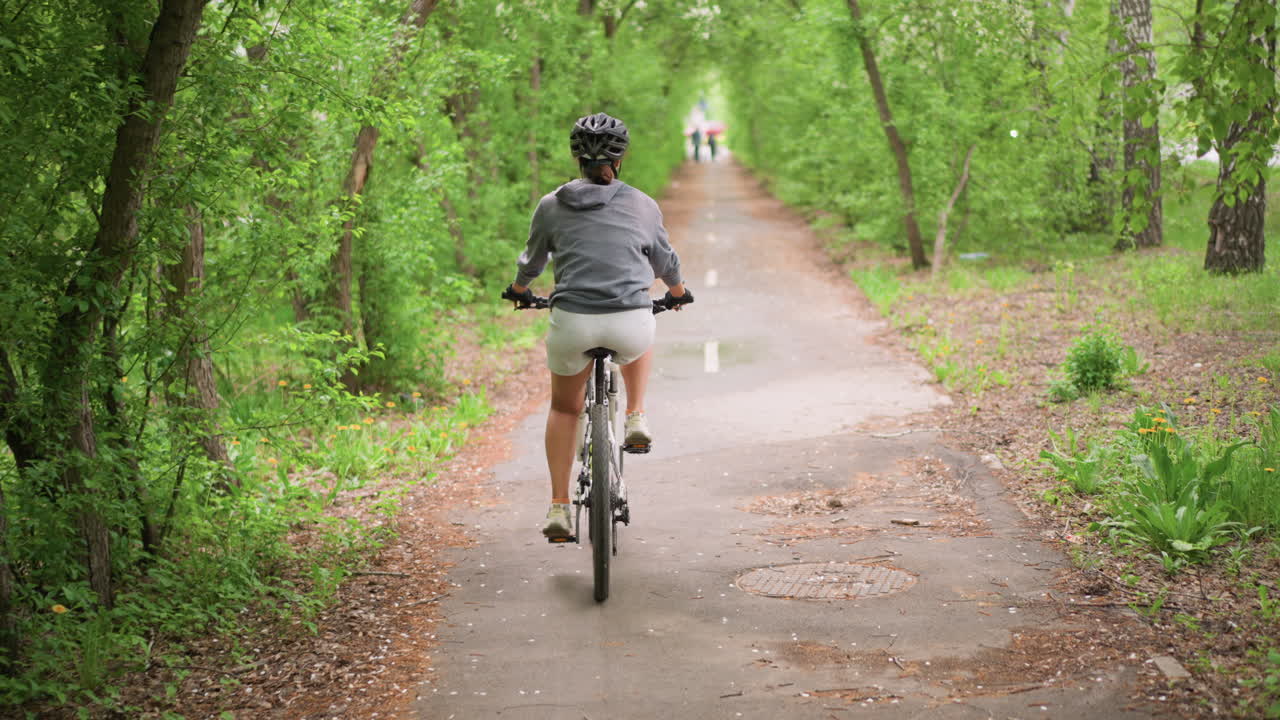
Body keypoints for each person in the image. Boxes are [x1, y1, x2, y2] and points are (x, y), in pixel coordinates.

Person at [503, 112, 693, 540]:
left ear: (577, 159)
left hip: (572, 324)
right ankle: (636, 414)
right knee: (642, 317)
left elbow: (532, 261)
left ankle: (558, 506)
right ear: (619, 159)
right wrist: (678, 292)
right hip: (628, 324)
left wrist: (518, 290)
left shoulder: (551, 205)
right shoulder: (643, 204)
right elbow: (665, 261)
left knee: (564, 409)